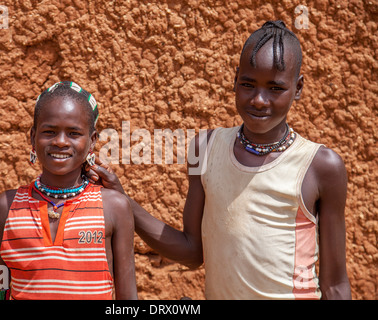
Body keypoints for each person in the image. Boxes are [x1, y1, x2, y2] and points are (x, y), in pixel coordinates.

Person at [88, 21, 351, 299]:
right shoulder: (206, 147)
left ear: (297, 88)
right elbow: (191, 251)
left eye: (275, 88)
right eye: (248, 84)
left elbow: (335, 284)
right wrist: (123, 200)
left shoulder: (319, 166)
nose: (259, 100)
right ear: (235, 79)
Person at [0, 81, 137, 300]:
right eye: (49, 132)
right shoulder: (7, 206)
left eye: (74, 133)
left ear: (92, 141)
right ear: (32, 137)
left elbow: (128, 298)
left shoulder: (113, 207)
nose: (60, 142)